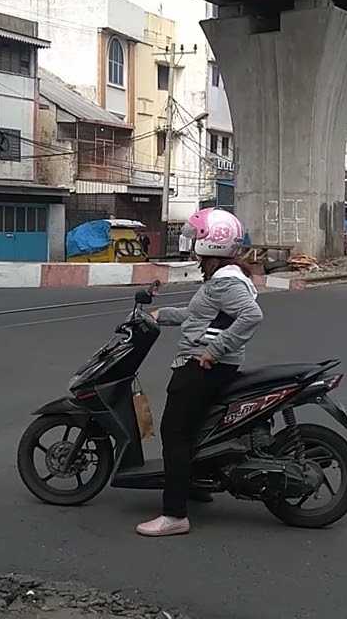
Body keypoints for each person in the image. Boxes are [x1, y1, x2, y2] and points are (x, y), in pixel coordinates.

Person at [138, 207, 263, 537]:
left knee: (174, 434)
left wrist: (213, 350)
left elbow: (251, 316)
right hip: (215, 364)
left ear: (214, 243)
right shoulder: (226, 277)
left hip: (205, 366)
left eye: (197, 237)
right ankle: (194, 483)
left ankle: (174, 515)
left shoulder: (225, 283)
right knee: (191, 430)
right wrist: (160, 315)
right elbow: (201, 316)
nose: (191, 244)